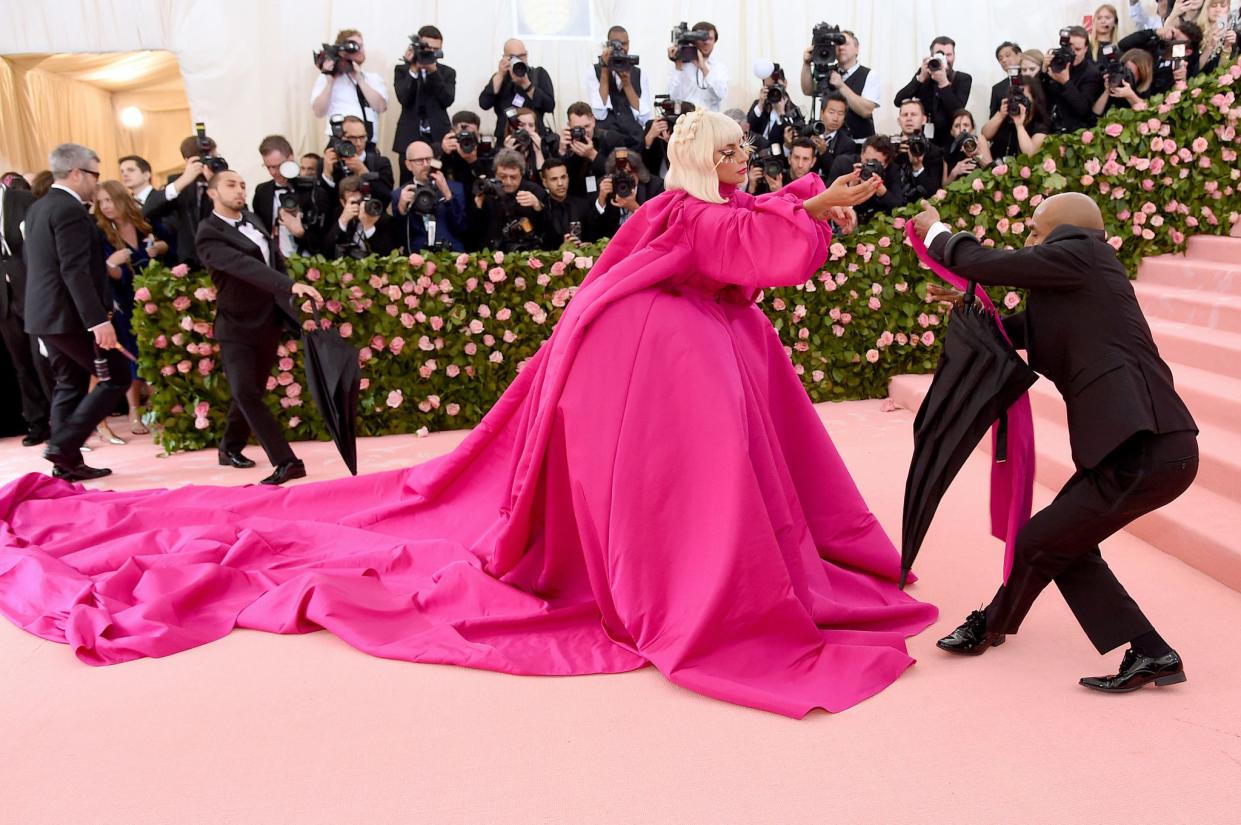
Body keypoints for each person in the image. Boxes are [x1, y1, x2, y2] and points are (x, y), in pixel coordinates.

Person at [0, 110, 944, 721]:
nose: (743, 160)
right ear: (703, 158)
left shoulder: (677, 205)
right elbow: (752, 245)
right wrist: (815, 214)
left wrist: (810, 198)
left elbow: (746, 221)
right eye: (730, 150)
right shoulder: (690, 213)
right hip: (651, 371)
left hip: (655, 358)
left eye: (745, 148)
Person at [912, 192, 1198, 693]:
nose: (1028, 241)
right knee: (1060, 543)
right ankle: (1141, 651)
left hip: (1145, 447)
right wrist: (970, 310)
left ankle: (1143, 649)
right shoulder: (1076, 284)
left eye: (1034, 231)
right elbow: (1018, 334)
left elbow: (984, 261)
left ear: (1064, 231)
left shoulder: (1085, 253)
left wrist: (937, 233)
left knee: (1043, 540)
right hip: (1128, 448)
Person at [195, 170, 322, 485]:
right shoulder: (208, 232)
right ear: (212, 192)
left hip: (268, 319)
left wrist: (287, 298)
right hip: (236, 324)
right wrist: (291, 285)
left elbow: (273, 261)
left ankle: (229, 447)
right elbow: (244, 267)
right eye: (230, 185)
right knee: (245, 392)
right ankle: (287, 461)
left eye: (242, 184)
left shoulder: (253, 219)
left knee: (248, 390)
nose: (239, 190)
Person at [21, 143, 128, 481]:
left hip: (44, 315)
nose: (98, 184)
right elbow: (75, 270)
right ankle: (63, 444)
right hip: (70, 316)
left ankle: (65, 462)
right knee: (117, 376)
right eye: (95, 174)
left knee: (70, 382)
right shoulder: (69, 210)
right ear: (77, 172)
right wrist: (97, 320)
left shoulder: (39, 207)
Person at [94, 180, 170, 436]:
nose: (105, 206)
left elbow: (167, 242)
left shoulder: (142, 223)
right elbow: (102, 272)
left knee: (158, 351)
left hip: (153, 295)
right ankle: (134, 410)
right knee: (133, 354)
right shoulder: (102, 233)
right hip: (124, 301)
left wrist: (158, 247)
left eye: (109, 200)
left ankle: (161, 407)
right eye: (101, 201)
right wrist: (111, 265)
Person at [0, 177, 51, 446]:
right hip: (4, 299)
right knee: (21, 363)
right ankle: (37, 421)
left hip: (32, 289)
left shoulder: (21, 200)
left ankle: (61, 417)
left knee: (42, 356)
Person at [143, 133, 228, 268]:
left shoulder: (226, 179)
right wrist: (182, 181)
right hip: (190, 263)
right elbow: (148, 211)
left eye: (213, 157)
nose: (210, 163)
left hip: (222, 258)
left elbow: (237, 211)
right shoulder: (178, 183)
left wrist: (215, 183)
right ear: (189, 161)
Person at [393, 25, 456, 185]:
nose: (431, 53)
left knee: (438, 180)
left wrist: (433, 72)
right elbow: (404, 98)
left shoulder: (447, 72)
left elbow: (447, 100)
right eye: (427, 49)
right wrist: (413, 69)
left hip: (438, 138)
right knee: (408, 184)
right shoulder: (402, 70)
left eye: (436, 50)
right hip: (409, 136)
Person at [253, 135, 330, 257]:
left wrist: (301, 233)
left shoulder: (314, 191)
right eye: (268, 167)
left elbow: (324, 239)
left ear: (290, 158)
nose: (273, 172)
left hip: (308, 261)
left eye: (277, 166)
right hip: (274, 261)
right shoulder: (262, 191)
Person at [893, 36, 972, 149]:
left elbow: (958, 113)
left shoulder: (963, 79)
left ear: (954, 56)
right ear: (931, 57)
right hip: (922, 141)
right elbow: (898, 101)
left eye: (948, 55)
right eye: (940, 55)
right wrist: (920, 78)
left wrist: (943, 83)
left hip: (950, 141)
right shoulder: (924, 75)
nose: (944, 59)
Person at [310, 28, 389, 142]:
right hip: (339, 139)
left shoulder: (372, 79)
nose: (360, 50)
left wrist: (359, 79)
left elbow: (381, 107)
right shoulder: (327, 78)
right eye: (354, 46)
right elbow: (318, 112)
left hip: (366, 140)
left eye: (361, 46)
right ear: (341, 50)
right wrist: (330, 82)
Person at [800, 29, 880, 139]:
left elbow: (866, 111)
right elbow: (808, 90)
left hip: (859, 142)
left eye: (846, 44)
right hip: (829, 142)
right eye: (837, 44)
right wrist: (806, 64)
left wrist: (841, 85)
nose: (841, 47)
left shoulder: (869, 74)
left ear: (857, 49)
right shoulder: (826, 71)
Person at [393, 141, 466, 253]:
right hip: (418, 256)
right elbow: (399, 237)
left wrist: (447, 195)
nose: (426, 164)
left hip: (452, 253)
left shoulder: (456, 188)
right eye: (419, 161)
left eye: (429, 159)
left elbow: (462, 227)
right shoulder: (400, 194)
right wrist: (402, 208)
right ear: (408, 165)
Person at [469, 148, 546, 252]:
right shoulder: (487, 192)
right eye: (502, 176)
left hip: (527, 252)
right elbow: (473, 232)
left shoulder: (534, 191)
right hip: (492, 252)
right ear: (495, 174)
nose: (508, 182)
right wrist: (478, 206)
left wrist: (538, 206)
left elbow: (547, 229)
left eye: (513, 177)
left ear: (522, 174)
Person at [479, 38, 556, 141]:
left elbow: (549, 106)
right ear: (504, 57)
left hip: (534, 137)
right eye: (513, 57)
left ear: (526, 55)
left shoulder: (538, 74)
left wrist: (526, 84)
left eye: (522, 56)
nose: (519, 60)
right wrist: (500, 74)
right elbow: (484, 104)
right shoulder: (500, 78)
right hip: (506, 139)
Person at [587, 25, 652, 144]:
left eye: (624, 44)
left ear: (629, 44)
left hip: (634, 142)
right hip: (606, 142)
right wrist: (605, 69)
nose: (621, 48)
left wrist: (627, 84)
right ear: (608, 46)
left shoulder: (639, 73)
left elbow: (645, 117)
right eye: (616, 45)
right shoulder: (594, 71)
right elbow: (599, 113)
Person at [556, 101, 632, 198]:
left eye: (586, 126)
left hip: (606, 198)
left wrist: (593, 155)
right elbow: (557, 176)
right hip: (577, 199)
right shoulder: (565, 142)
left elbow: (622, 172)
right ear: (569, 125)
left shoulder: (612, 139)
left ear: (593, 121)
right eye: (578, 128)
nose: (584, 132)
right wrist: (562, 151)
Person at [826, 135, 906, 223]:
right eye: (867, 161)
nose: (870, 166)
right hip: (844, 222)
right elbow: (827, 199)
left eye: (876, 163)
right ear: (861, 153)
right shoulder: (843, 164)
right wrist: (850, 188)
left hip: (876, 222)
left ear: (885, 164)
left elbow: (898, 207)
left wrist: (882, 191)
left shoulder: (891, 170)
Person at [323, 115, 395, 209]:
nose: (358, 143)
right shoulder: (330, 162)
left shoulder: (381, 163)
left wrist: (364, 173)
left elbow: (385, 199)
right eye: (352, 138)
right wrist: (327, 176)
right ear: (340, 139)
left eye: (362, 137)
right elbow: (323, 205)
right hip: (339, 220)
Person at [1043, 25, 1104, 134]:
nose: (1073, 53)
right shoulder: (1057, 62)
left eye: (1077, 49)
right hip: (1052, 127)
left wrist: (1066, 82)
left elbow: (1084, 109)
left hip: (1077, 132)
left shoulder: (1092, 73)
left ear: (1086, 49)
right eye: (1069, 48)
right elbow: (1041, 94)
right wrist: (1043, 70)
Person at [323, 174, 398, 259]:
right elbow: (326, 251)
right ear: (343, 203)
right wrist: (343, 221)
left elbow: (388, 256)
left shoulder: (382, 219)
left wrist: (369, 227)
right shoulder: (337, 215)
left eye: (361, 201)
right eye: (353, 202)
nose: (359, 206)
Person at [982, 70, 1051, 159]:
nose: (1019, 103)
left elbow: (1030, 154)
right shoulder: (1007, 116)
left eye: (1023, 98)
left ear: (1035, 100)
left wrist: (1019, 126)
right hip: (997, 166)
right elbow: (985, 135)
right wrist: (1000, 115)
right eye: (1015, 98)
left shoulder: (1041, 124)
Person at [667, 21, 729, 112]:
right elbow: (673, 98)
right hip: (686, 121)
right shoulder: (680, 65)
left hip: (709, 120)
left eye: (710, 39)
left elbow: (720, 95)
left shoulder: (720, 68)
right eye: (702, 39)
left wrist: (704, 68)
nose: (706, 43)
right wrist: (678, 68)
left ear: (714, 41)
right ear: (693, 40)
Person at [891, 98, 945, 202]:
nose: (909, 118)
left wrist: (918, 167)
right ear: (899, 120)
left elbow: (934, 193)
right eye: (905, 115)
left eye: (913, 114)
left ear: (924, 119)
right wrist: (894, 155)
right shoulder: (889, 149)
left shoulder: (934, 151)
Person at [539, 157, 596, 246]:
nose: (560, 183)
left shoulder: (583, 205)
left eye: (563, 177)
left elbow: (594, 236)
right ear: (545, 183)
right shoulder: (542, 209)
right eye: (554, 179)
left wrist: (589, 245)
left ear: (568, 178)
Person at [1092, 48, 1156, 115]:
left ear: (1142, 75)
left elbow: (1146, 115)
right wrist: (1107, 91)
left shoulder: (1143, 89)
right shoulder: (1114, 79)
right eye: (1125, 70)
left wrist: (1131, 96)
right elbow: (1096, 113)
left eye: (1132, 74)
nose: (1126, 76)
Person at [440, 111, 496, 185]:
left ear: (478, 135)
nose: (466, 139)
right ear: (452, 133)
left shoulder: (487, 152)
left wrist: (474, 162)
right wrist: (444, 154)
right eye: (462, 135)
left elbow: (490, 181)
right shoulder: (446, 150)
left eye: (471, 135)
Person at [944, 110, 994, 183]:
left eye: (966, 125)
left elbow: (992, 172)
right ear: (952, 131)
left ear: (972, 128)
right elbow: (944, 186)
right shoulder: (948, 150)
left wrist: (976, 155)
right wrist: (954, 173)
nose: (962, 130)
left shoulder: (979, 140)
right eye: (957, 126)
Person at [1197, 0, 1240, 74]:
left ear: (1228, 9)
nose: (1218, 10)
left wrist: (1227, 47)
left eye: (1223, 6)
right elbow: (1193, 70)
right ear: (1206, 9)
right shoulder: (1196, 32)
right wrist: (1210, 47)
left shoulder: (1231, 36)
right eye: (1213, 6)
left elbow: (1222, 71)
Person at [989, 42, 1024, 118]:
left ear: (1020, 56)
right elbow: (992, 118)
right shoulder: (997, 89)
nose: (1004, 60)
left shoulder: (1033, 79)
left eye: (1008, 55)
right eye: (1000, 59)